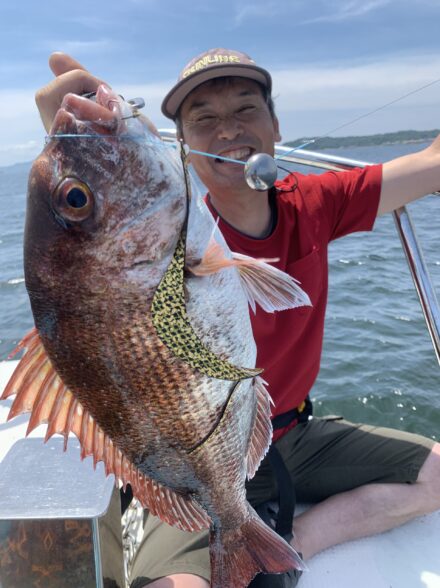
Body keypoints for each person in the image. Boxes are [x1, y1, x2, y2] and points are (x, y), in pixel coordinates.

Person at [35, 48, 440, 588]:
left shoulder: (315, 204)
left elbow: (430, 167)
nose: (227, 130)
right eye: (203, 118)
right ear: (178, 142)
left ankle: (294, 541)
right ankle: (233, 535)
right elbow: (89, 275)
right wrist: (82, 158)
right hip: (186, 467)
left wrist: (97, 168)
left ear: (275, 124)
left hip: (292, 433)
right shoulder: (180, 225)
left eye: (245, 110)